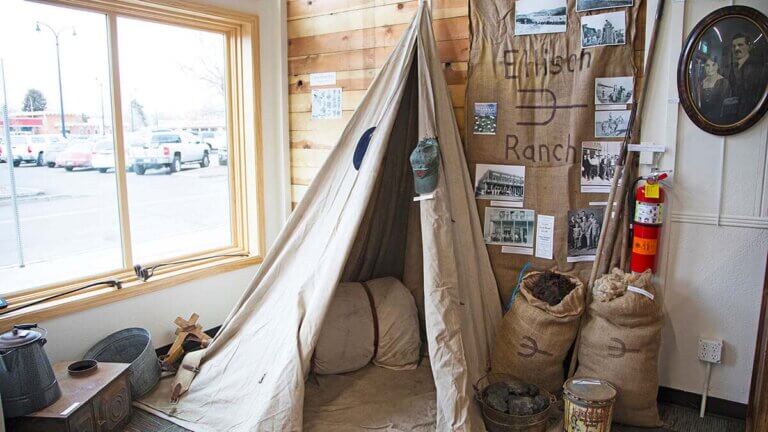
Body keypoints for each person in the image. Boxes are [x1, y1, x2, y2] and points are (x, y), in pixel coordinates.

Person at [727, 32, 767, 121]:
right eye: (734, 46)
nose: (736, 48)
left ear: (748, 46)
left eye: (740, 45)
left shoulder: (758, 66)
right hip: (734, 113)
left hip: (753, 115)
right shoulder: (732, 67)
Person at [698, 55, 731, 123]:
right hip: (702, 120)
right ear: (704, 67)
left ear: (717, 66)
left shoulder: (724, 83)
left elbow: (726, 107)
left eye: (713, 65)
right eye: (707, 65)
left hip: (719, 122)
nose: (710, 68)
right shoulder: (701, 83)